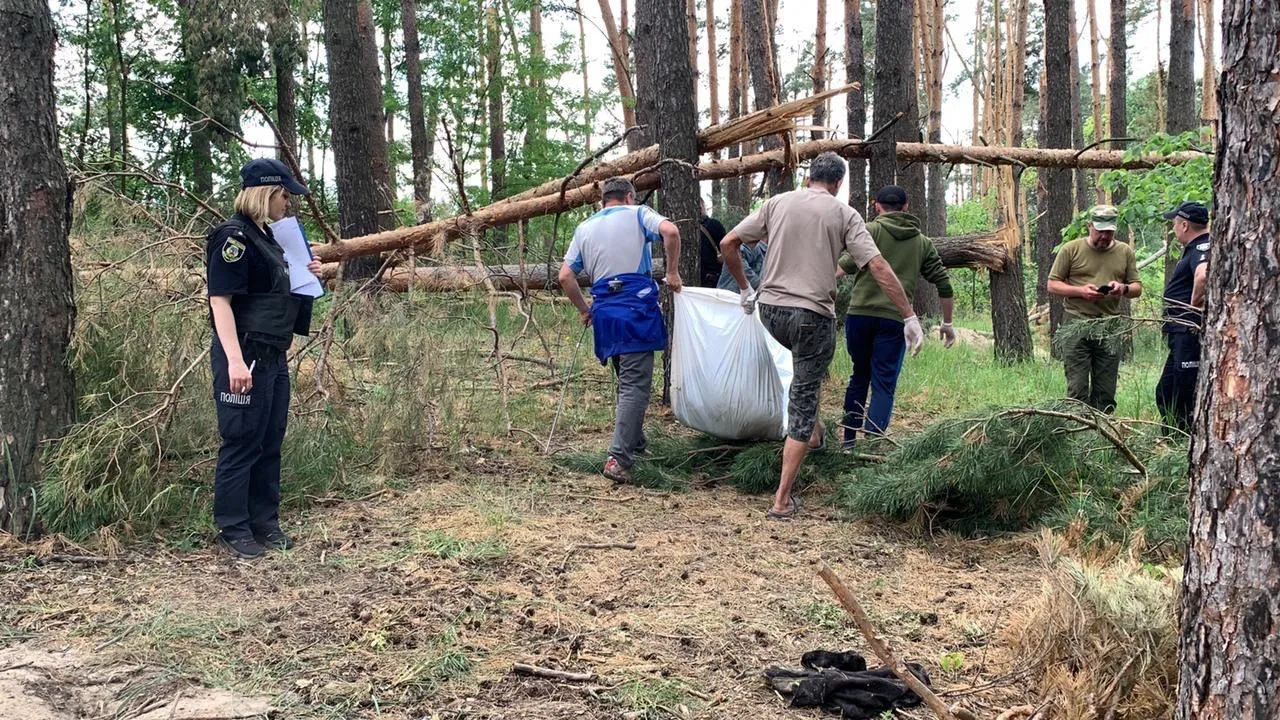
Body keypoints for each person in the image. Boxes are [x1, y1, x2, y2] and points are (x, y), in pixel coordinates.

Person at [720, 152, 921, 520]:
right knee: (804, 392)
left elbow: (728, 242)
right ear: (839, 183)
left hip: (772, 313)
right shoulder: (844, 214)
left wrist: (746, 289)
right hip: (812, 315)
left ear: (809, 176)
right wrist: (908, 315)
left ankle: (813, 434)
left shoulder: (776, 203)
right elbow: (876, 264)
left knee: (803, 376)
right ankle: (782, 499)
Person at [206, 157, 321, 559]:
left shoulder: (269, 238)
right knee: (242, 440)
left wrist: (306, 271)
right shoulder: (233, 238)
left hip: (274, 353)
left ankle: (264, 523)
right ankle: (233, 527)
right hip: (245, 352)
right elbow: (220, 302)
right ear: (266, 193)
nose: (288, 204)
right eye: (284, 196)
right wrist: (235, 362)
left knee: (270, 439)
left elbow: (274, 289)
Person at [557, 177, 683, 484]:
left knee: (626, 379)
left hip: (605, 312)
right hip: (635, 309)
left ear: (604, 201)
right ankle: (619, 458)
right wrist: (672, 272)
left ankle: (635, 441)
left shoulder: (585, 227)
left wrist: (585, 310)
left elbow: (565, 276)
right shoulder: (638, 213)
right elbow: (671, 231)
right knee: (634, 385)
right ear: (629, 197)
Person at [837, 185, 956, 450]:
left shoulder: (870, 230)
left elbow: (841, 268)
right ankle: (873, 444)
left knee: (859, 375)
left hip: (859, 316)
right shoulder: (922, 243)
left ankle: (848, 442)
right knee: (884, 384)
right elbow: (944, 285)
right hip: (896, 320)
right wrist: (947, 324)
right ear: (906, 206)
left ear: (876, 205)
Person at [1047, 205, 1143, 412]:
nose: (1104, 236)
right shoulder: (1071, 249)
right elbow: (1053, 284)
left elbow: (1137, 287)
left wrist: (1123, 288)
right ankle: (1078, 429)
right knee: (1077, 385)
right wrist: (1081, 291)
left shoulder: (1125, 251)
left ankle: (1103, 430)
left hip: (1109, 324)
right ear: (1089, 226)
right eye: (1100, 231)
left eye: (1109, 232)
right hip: (1076, 322)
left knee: (1106, 387)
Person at [1155, 201, 1210, 433]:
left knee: (1184, 390)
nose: (1174, 228)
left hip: (1189, 331)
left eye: (1175, 223)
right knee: (1166, 390)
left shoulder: (1202, 247)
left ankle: (1182, 437)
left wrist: (1193, 305)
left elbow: (1203, 276)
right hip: (1180, 332)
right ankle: (1171, 437)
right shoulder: (1196, 246)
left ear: (1185, 225)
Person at [697, 198, 727, 288]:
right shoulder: (684, 227)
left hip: (712, 278)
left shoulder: (715, 225)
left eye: (700, 207)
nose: (699, 209)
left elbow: (726, 248)